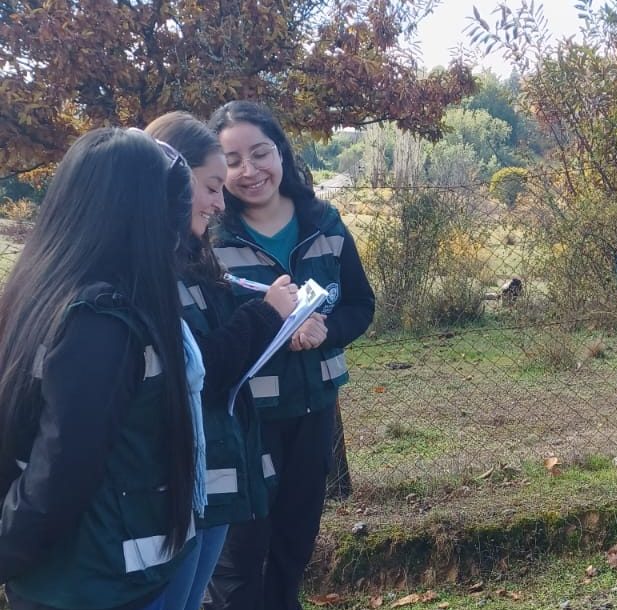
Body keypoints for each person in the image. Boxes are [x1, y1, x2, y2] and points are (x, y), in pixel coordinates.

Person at [0, 128, 198, 609]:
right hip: (90, 579)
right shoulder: (99, 322)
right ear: (141, 217)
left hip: (90, 570)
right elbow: (62, 470)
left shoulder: (48, 291)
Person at [207, 101, 375, 610]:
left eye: (260, 153)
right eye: (232, 161)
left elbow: (361, 306)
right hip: (246, 419)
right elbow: (208, 338)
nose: (249, 170)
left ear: (281, 153)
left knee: (294, 542)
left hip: (313, 408)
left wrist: (326, 331)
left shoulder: (325, 224)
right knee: (241, 551)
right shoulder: (211, 239)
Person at [145, 112, 300, 610]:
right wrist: (266, 315)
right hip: (178, 481)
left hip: (216, 471)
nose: (219, 200)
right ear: (171, 178)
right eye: (213, 184)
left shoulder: (194, 255)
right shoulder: (150, 271)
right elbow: (199, 367)